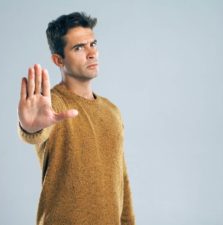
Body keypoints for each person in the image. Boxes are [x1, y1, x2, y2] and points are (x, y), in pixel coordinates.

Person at [17, 12, 135, 225]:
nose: (92, 53)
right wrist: (30, 128)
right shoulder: (53, 106)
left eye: (93, 43)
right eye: (79, 47)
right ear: (58, 59)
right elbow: (37, 131)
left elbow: (122, 181)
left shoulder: (112, 111)